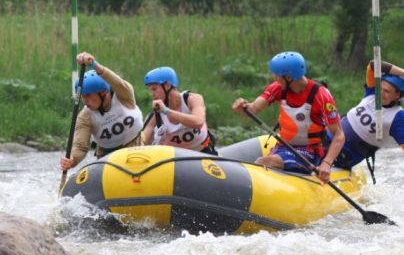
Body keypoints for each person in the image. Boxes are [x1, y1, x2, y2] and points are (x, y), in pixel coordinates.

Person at [231, 51, 343, 183]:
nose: (274, 79)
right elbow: (253, 108)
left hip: (310, 153)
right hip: (283, 147)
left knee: (264, 161)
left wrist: (327, 163)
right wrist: (243, 107)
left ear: (289, 78)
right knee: (265, 162)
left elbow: (339, 135)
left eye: (277, 76)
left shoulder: (321, 96)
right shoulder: (278, 88)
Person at [59, 51, 144, 171]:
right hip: (106, 155)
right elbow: (81, 147)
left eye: (88, 95)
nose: (85, 100)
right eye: (83, 96)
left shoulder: (124, 95)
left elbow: (117, 82)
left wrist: (94, 65)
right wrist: (71, 160)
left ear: (104, 93)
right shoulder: (85, 117)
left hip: (136, 146)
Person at [332, 60, 404, 169]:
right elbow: (372, 65)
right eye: (380, 88)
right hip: (329, 136)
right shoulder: (372, 92)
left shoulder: (397, 117)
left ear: (397, 96)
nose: (380, 93)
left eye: (387, 91)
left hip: (345, 154)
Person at [140, 66, 217, 155]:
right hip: (175, 160)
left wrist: (166, 111)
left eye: (154, 89)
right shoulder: (155, 115)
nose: (152, 94)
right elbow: (142, 142)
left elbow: (198, 122)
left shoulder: (192, 99)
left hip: (203, 152)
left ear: (167, 86)